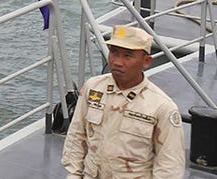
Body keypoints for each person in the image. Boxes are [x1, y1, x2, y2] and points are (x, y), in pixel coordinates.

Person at [62, 24, 185, 178]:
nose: (117, 62)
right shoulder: (93, 88)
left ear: (146, 61)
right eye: (114, 52)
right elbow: (77, 135)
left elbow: (170, 166)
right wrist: (73, 175)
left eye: (127, 56)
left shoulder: (161, 107)